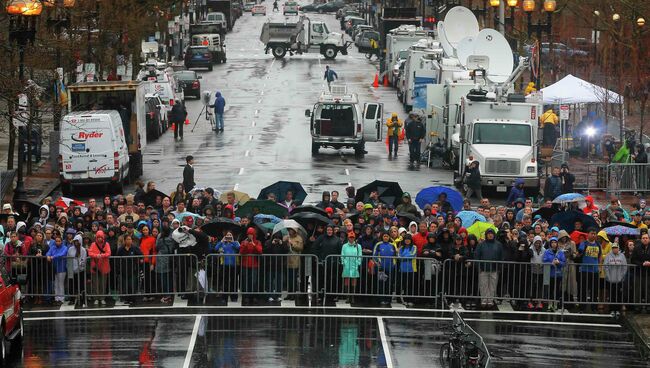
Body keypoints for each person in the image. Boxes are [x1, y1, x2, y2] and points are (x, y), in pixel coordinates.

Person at [474, 228, 503, 309]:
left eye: (492, 233)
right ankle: (483, 301)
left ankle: (490, 301)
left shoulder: (498, 244)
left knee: (493, 286)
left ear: (494, 234)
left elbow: (501, 257)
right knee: (483, 285)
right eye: (488, 233)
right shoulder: (481, 244)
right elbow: (477, 256)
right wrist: (478, 267)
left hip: (494, 269)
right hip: (483, 268)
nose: (490, 235)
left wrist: (499, 268)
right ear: (486, 235)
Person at [340, 231, 362, 304]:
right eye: (350, 237)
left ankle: (352, 297)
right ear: (348, 237)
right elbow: (342, 255)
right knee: (346, 280)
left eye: (352, 237)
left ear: (354, 238)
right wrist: (343, 262)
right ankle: (347, 296)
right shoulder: (344, 246)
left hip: (354, 265)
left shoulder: (358, 246)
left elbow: (360, 255)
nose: (351, 239)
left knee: (353, 280)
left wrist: (358, 263)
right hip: (347, 265)